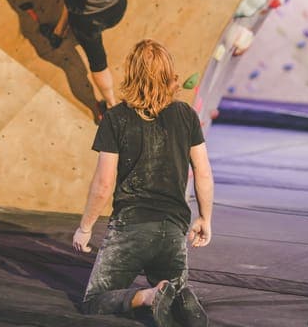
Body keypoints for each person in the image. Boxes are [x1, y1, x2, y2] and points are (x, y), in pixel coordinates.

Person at [72, 39, 213, 327]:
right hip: (173, 230)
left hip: (131, 228)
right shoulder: (186, 115)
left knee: (94, 300)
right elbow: (203, 172)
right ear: (168, 74)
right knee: (172, 290)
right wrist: (204, 218)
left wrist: (85, 228)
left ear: (131, 74)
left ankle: (149, 297)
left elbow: (104, 183)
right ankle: (178, 296)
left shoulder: (116, 118)